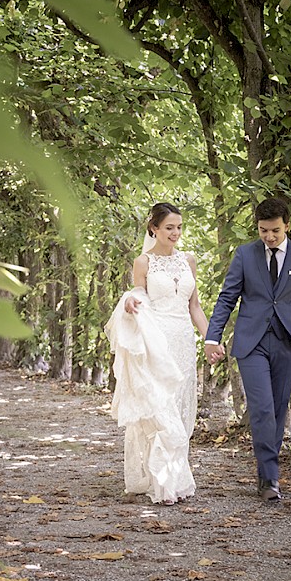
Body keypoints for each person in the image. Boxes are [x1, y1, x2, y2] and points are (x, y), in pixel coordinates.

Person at [204, 197, 291, 501]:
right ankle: (270, 479)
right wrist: (212, 338)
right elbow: (227, 298)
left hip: (287, 343)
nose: (269, 236)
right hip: (250, 343)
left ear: (287, 226)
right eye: (263, 230)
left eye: (275, 231)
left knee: (279, 409)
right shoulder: (244, 255)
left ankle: (266, 475)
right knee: (263, 409)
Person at [104, 203, 211, 505]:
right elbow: (139, 294)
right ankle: (163, 484)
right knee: (162, 413)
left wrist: (210, 339)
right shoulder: (143, 262)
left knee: (179, 409)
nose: (175, 233)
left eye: (178, 227)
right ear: (154, 229)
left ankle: (173, 476)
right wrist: (130, 302)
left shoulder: (188, 260)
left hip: (183, 343)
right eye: (169, 228)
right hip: (156, 342)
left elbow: (195, 307)